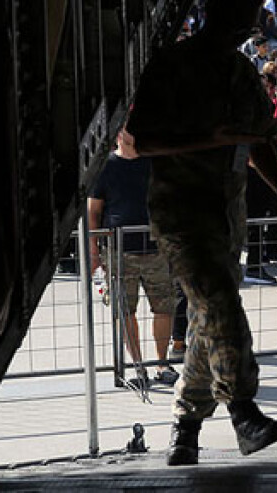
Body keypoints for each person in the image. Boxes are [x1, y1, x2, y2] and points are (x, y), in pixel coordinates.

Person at [122, 0, 277, 465]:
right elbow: (139, 144)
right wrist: (213, 139)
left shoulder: (242, 72)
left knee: (208, 314)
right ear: (221, 12)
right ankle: (243, 408)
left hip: (227, 210)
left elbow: (260, 139)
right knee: (218, 300)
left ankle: (185, 427)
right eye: (247, 10)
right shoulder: (173, 66)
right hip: (181, 209)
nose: (251, 21)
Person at [88, 130, 177, 389]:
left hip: (156, 250)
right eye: (128, 125)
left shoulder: (156, 162)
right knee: (125, 311)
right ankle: (137, 367)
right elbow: (94, 212)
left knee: (164, 308)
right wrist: (94, 252)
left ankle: (162, 363)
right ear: (117, 132)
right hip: (118, 254)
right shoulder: (104, 167)